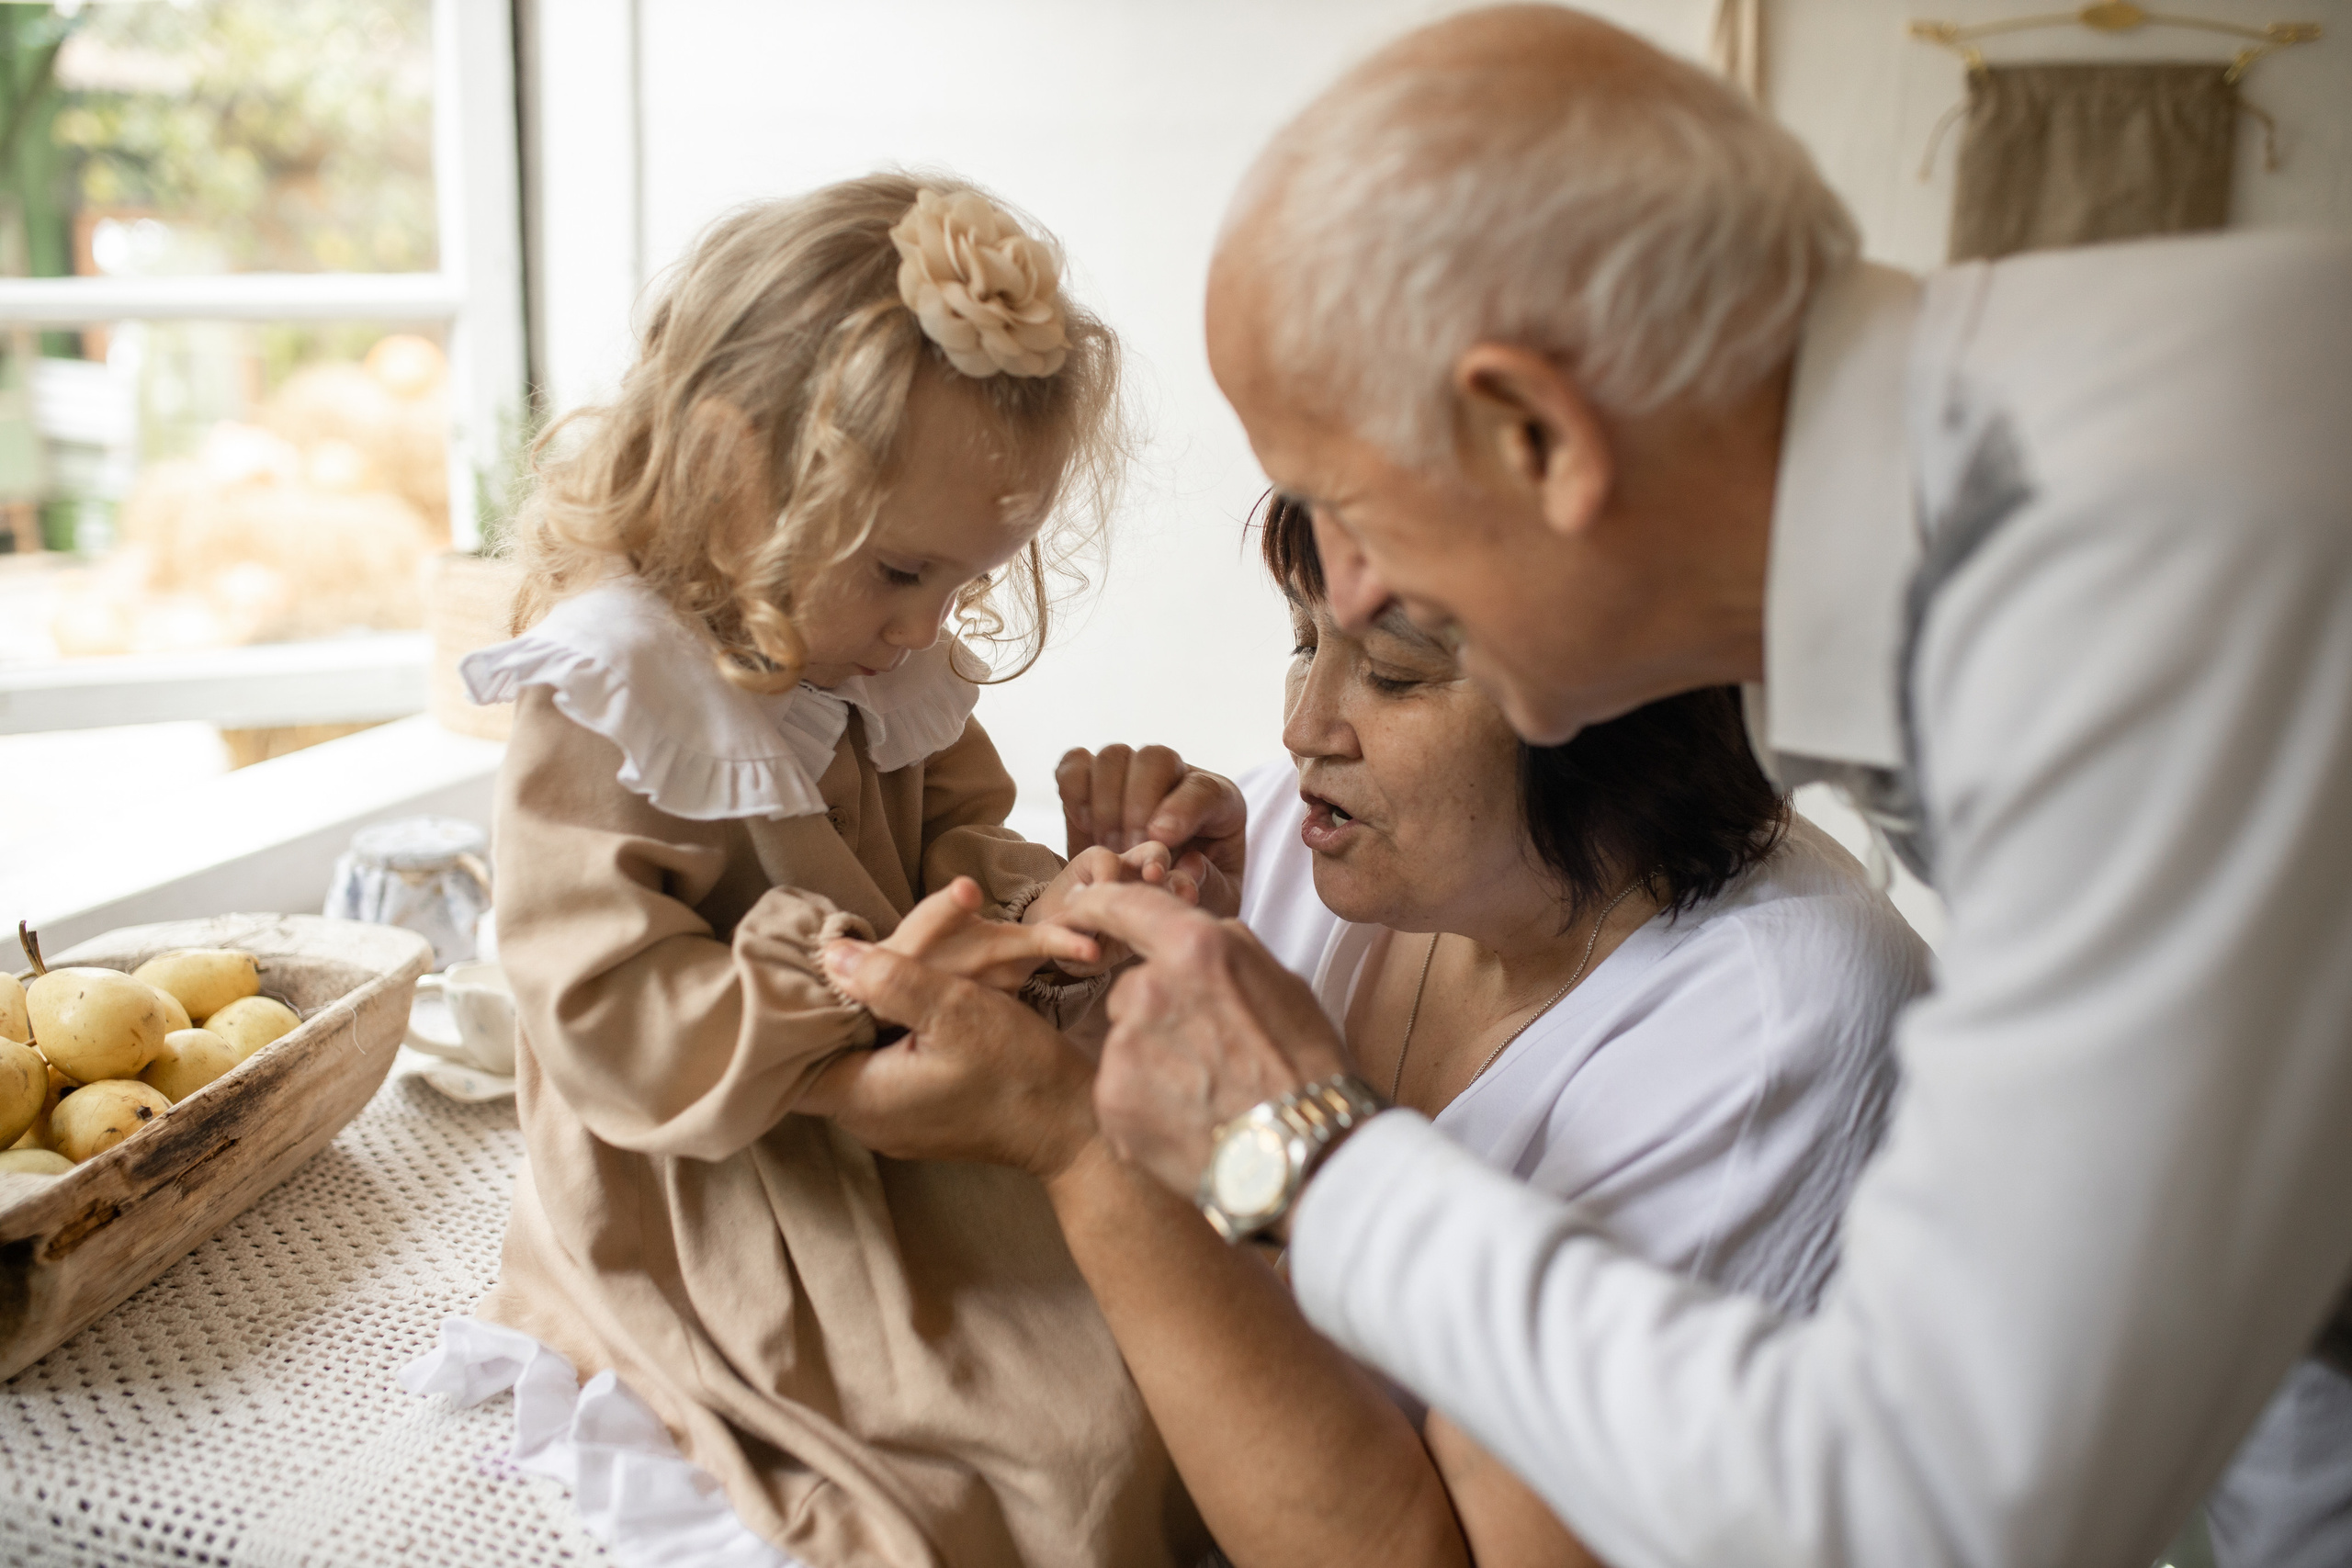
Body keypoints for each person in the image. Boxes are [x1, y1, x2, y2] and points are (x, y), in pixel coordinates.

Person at [1006, 8, 2351, 1568]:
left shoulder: (2130, 596)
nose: (1350, 602)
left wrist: (1295, 1152)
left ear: (1537, 435)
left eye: (1358, 523)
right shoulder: (2023, 493)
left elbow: (1943, 1506)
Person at [401, 176, 1210, 1568]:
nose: (921, 631)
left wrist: (1031, 906)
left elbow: (956, 839)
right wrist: (842, 984)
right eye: (901, 573)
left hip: (896, 1116)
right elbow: (600, 1011)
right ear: (730, 475)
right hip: (713, 1168)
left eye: (958, 589)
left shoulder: (875, 667)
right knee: (1014, 1468)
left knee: (1156, 1381)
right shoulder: (615, 689)